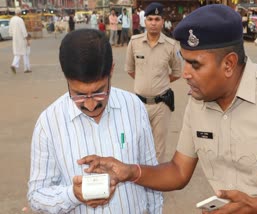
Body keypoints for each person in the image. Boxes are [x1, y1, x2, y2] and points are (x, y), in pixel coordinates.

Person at [79, 5, 257, 214]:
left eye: (195, 64)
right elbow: (178, 171)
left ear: (229, 64)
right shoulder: (198, 102)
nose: (185, 73)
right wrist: (130, 171)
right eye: (184, 60)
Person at [27, 29, 163, 214]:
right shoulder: (49, 124)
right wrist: (71, 195)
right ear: (67, 78)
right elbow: (36, 196)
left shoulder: (133, 107)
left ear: (112, 71)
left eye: (99, 92)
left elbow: (152, 174)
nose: (90, 105)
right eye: (79, 95)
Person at [125, 2, 182, 163]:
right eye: (150, 19)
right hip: (139, 104)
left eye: (157, 19)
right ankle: (139, 179)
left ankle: (156, 185)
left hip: (161, 105)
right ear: (145, 21)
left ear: (162, 21)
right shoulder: (134, 43)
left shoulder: (171, 46)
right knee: (138, 143)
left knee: (159, 147)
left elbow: (177, 72)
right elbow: (130, 69)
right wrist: (144, 80)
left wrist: (160, 81)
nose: (153, 23)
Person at [8, 7, 28, 74]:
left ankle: (14, 65)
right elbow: (23, 30)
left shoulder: (12, 19)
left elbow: (10, 31)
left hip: (15, 39)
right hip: (21, 39)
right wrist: (26, 36)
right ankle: (26, 68)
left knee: (17, 54)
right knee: (24, 53)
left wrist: (12, 35)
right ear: (19, 13)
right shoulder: (20, 20)